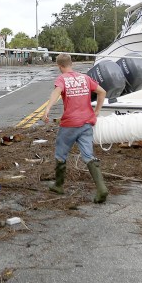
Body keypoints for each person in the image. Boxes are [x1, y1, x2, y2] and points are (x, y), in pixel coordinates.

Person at [41, 53, 108, 203]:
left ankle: (59, 185)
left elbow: (56, 92)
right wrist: (96, 111)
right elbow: (102, 92)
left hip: (70, 124)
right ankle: (101, 188)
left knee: (60, 153)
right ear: (72, 64)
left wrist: (47, 109)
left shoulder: (62, 79)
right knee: (88, 155)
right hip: (86, 123)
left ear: (59, 66)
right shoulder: (85, 78)